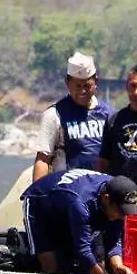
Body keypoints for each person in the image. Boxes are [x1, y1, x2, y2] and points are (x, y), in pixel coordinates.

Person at [21, 169, 137, 274]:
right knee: (52, 268)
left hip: (70, 207)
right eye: (120, 211)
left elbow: (115, 237)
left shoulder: (118, 193)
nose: (123, 216)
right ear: (106, 199)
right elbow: (83, 252)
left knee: (96, 266)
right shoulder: (81, 204)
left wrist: (117, 265)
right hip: (40, 205)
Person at [32, 51, 110, 182]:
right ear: (68, 83)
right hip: (67, 191)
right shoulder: (54, 115)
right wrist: (37, 196)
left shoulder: (109, 114)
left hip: (102, 190)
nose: (82, 91)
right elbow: (43, 159)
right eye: (77, 86)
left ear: (96, 81)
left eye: (87, 85)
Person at [97, 63, 137, 188]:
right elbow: (104, 160)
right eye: (132, 86)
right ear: (126, 87)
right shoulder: (114, 120)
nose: (136, 92)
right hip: (118, 194)